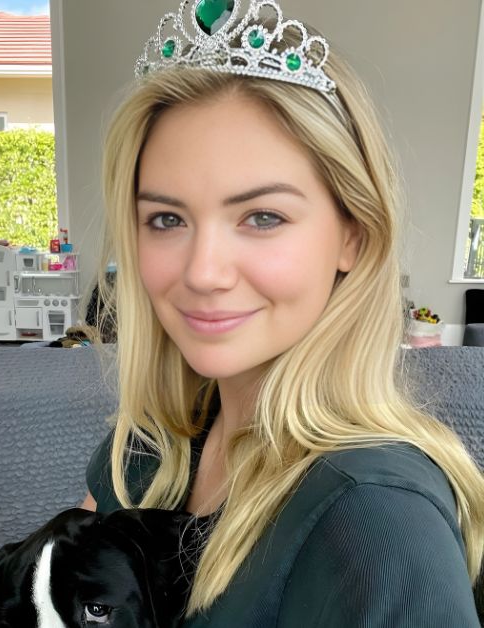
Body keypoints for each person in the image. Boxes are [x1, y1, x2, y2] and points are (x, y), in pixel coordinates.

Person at [78, 1, 484, 625]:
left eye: (263, 216)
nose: (203, 272)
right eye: (166, 219)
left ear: (353, 235)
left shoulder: (378, 522)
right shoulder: (146, 449)